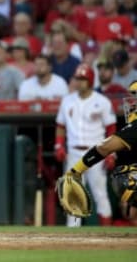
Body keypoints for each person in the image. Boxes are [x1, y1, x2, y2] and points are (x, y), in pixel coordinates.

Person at [63, 80, 137, 225]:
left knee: (125, 179)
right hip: (75, 149)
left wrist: (76, 170)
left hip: (86, 155)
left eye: (136, 98)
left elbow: (104, 148)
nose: (132, 103)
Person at [54, 64, 116, 226]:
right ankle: (73, 236)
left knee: (100, 194)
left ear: (90, 80)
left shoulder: (102, 101)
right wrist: (59, 146)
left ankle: (108, 234)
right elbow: (61, 126)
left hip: (96, 152)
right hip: (74, 153)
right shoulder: (67, 101)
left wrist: (111, 153)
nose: (79, 82)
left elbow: (111, 129)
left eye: (83, 79)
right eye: (77, 79)